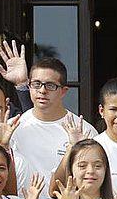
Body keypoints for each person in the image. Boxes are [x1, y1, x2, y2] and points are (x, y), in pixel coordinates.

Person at [9, 57, 96, 187]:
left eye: (50, 85)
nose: (42, 90)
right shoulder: (12, 128)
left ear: (63, 91)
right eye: (36, 84)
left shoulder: (84, 131)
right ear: (29, 86)